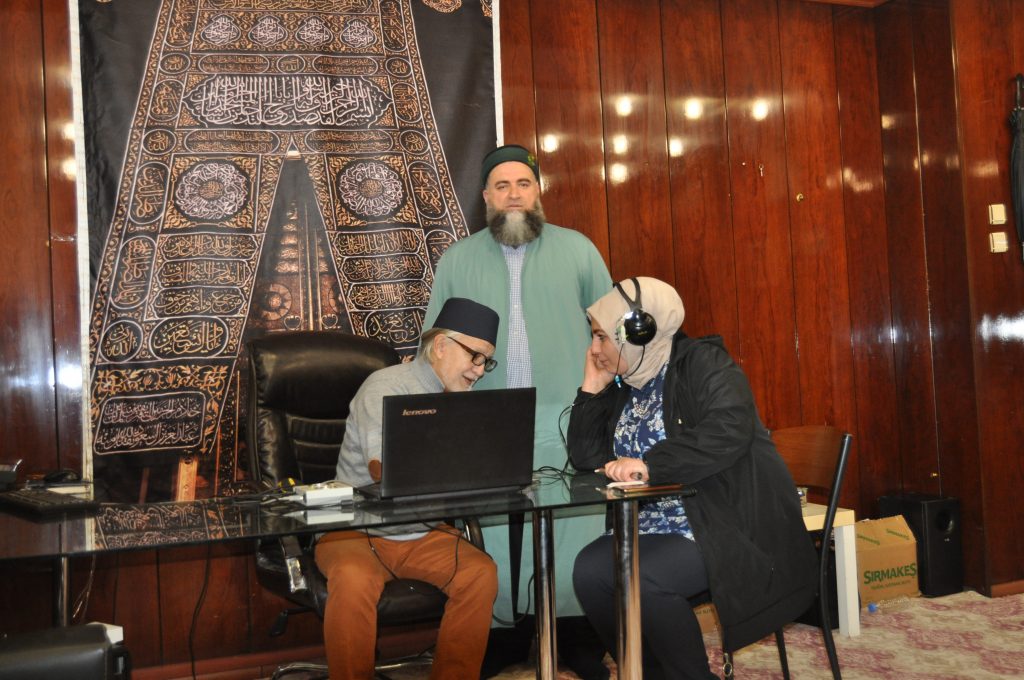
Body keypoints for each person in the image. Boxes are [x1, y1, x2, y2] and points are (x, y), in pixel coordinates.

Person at [567, 277, 818, 679]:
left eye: (601, 337)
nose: (594, 350)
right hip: (647, 526)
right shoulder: (626, 382)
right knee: (589, 571)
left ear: (638, 333)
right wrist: (591, 388)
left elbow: (729, 428)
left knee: (640, 576)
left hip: (718, 523)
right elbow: (585, 458)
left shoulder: (703, 363)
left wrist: (650, 465)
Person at [424, 145, 613, 675]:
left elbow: (611, 331)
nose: (513, 195)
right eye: (502, 186)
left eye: (523, 184)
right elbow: (434, 346)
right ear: (486, 196)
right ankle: (504, 636)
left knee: (574, 529)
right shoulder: (457, 260)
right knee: (495, 536)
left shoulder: (578, 251)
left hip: (568, 417)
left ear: (538, 191)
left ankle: (577, 639)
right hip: (488, 424)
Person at [314, 297, 502, 680]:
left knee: (480, 574)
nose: (480, 370)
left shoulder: (461, 400)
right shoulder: (385, 386)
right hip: (354, 530)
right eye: (475, 357)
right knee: (354, 580)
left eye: (487, 361)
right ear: (441, 346)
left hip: (422, 531)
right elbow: (383, 470)